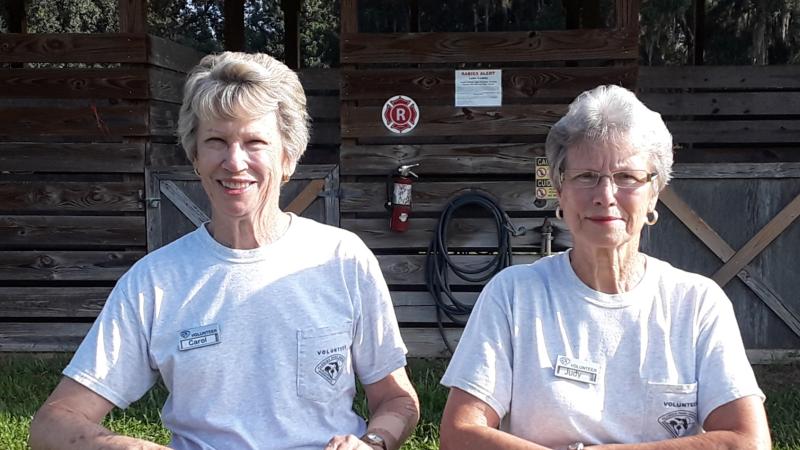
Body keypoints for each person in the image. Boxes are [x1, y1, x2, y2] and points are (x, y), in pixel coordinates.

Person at [29, 52, 419, 450]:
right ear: (195, 157)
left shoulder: (342, 259)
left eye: (255, 142)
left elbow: (397, 400)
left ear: (288, 157)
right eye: (216, 141)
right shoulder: (154, 283)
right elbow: (53, 424)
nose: (234, 162)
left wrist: (373, 442)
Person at [438, 85, 770, 450]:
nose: (606, 195)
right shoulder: (514, 295)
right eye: (586, 176)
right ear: (560, 191)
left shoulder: (698, 303)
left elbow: (747, 442)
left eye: (627, 177)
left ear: (654, 193)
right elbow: (459, 434)